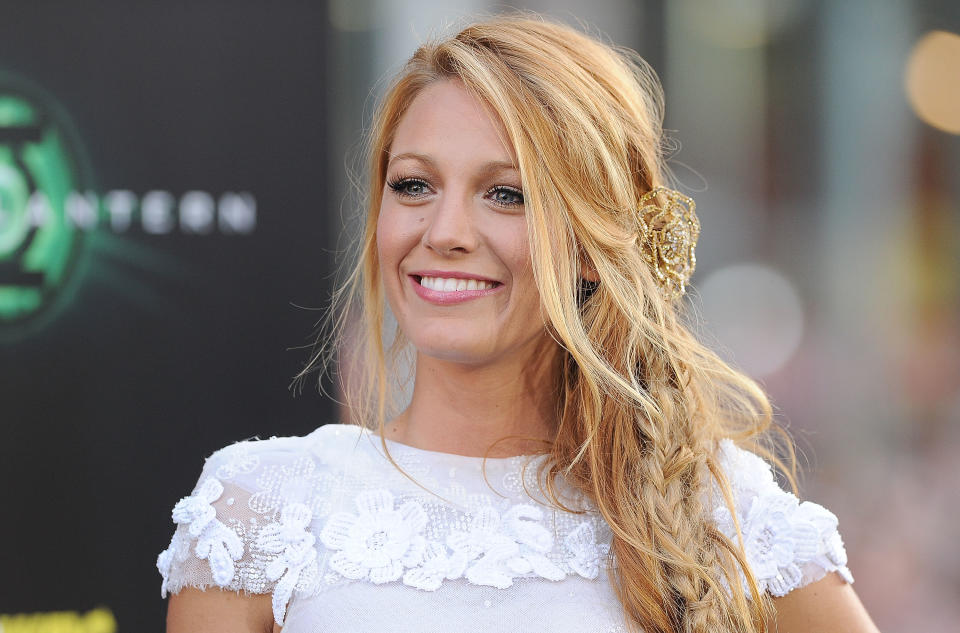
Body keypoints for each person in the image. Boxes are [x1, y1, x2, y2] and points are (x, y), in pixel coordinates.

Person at [158, 14, 878, 633]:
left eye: (505, 194)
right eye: (414, 185)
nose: (445, 231)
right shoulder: (257, 512)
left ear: (596, 247)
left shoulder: (723, 513)